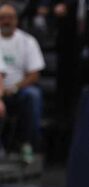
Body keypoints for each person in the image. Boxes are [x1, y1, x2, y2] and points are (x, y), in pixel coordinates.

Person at [0, 3, 43, 163]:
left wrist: (15, 87)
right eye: (2, 18)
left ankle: (27, 144)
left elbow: (34, 75)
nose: (6, 22)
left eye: (9, 18)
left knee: (33, 96)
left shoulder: (27, 41)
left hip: (19, 90)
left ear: (16, 20)